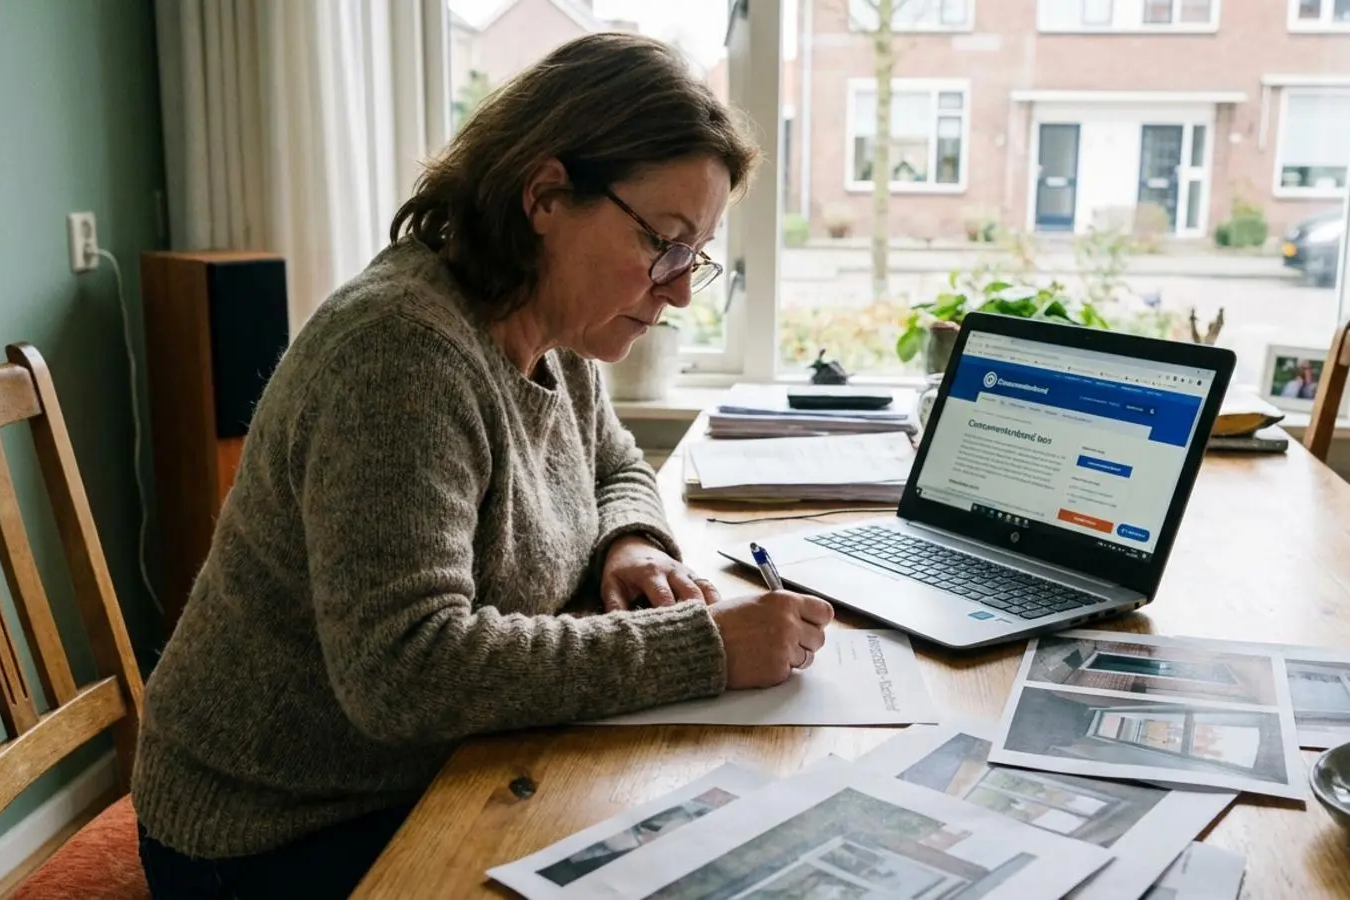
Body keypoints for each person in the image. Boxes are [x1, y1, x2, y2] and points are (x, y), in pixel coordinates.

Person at [131, 33, 834, 900]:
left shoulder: (554, 322)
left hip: (429, 772)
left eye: (697, 254)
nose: (680, 289)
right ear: (546, 194)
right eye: (665, 242)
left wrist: (633, 542)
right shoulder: (401, 354)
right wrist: (703, 649)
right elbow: (406, 671)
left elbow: (611, 457)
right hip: (268, 833)